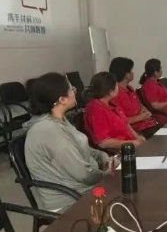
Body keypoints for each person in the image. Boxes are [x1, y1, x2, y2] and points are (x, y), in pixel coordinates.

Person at [24, 72, 114, 212]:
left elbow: (80, 147)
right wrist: (107, 174)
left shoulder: (58, 119)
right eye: (72, 89)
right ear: (62, 100)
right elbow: (84, 174)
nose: (75, 91)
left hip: (82, 188)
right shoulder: (49, 131)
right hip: (70, 201)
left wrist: (100, 156)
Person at [84, 72, 145, 150]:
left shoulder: (111, 103)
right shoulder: (95, 110)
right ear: (111, 91)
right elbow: (103, 142)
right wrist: (131, 143)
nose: (118, 87)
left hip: (130, 144)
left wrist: (137, 137)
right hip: (119, 150)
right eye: (116, 85)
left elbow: (126, 124)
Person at [109, 57, 160, 139]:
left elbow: (139, 104)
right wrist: (140, 117)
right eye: (131, 71)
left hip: (148, 124)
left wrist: (144, 110)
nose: (133, 73)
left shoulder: (130, 88)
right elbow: (120, 121)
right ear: (126, 75)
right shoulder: (115, 94)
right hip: (137, 131)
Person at [139, 58, 167, 125]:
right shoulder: (150, 85)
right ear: (156, 72)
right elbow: (155, 105)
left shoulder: (156, 82)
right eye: (160, 68)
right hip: (166, 115)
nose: (162, 70)